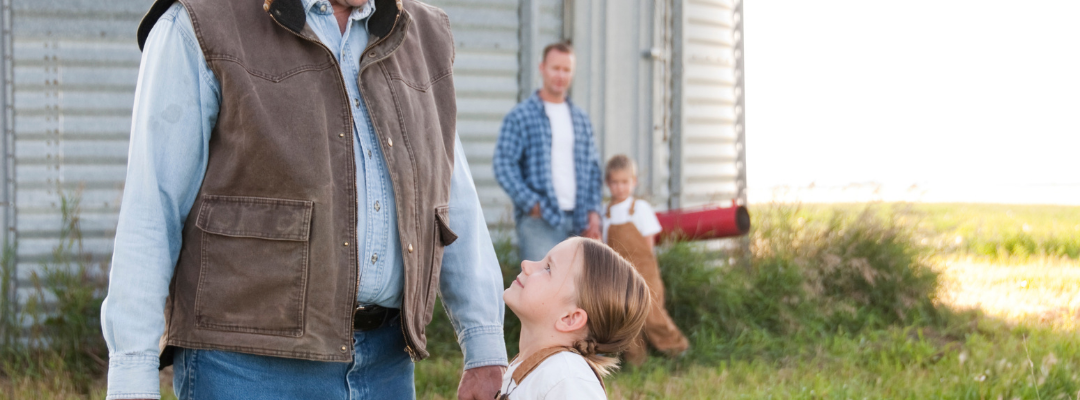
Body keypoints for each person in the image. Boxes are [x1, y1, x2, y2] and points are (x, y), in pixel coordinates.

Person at [99, 1, 507, 399]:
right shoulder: (202, 20)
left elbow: (450, 198)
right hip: (244, 369)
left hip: (385, 366)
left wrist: (485, 345)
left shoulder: (421, 32)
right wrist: (131, 374)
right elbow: (153, 207)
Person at [497, 238, 650, 399]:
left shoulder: (567, 378)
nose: (526, 264)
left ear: (570, 318)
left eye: (548, 268)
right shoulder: (536, 368)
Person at [493, 42, 604, 263]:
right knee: (540, 289)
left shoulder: (580, 119)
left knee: (579, 293)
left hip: (580, 220)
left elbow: (593, 169)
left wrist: (594, 212)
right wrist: (532, 204)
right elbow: (503, 164)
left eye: (566, 70)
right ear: (542, 67)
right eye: (555, 68)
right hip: (540, 222)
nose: (560, 75)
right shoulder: (521, 115)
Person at [602, 155, 689, 366]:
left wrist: (646, 268)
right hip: (620, 274)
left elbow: (648, 243)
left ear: (634, 182)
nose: (620, 188)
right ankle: (637, 362)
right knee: (627, 317)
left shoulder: (639, 208)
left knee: (652, 313)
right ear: (608, 183)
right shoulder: (606, 214)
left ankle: (678, 350)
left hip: (645, 270)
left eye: (625, 182)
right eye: (615, 183)